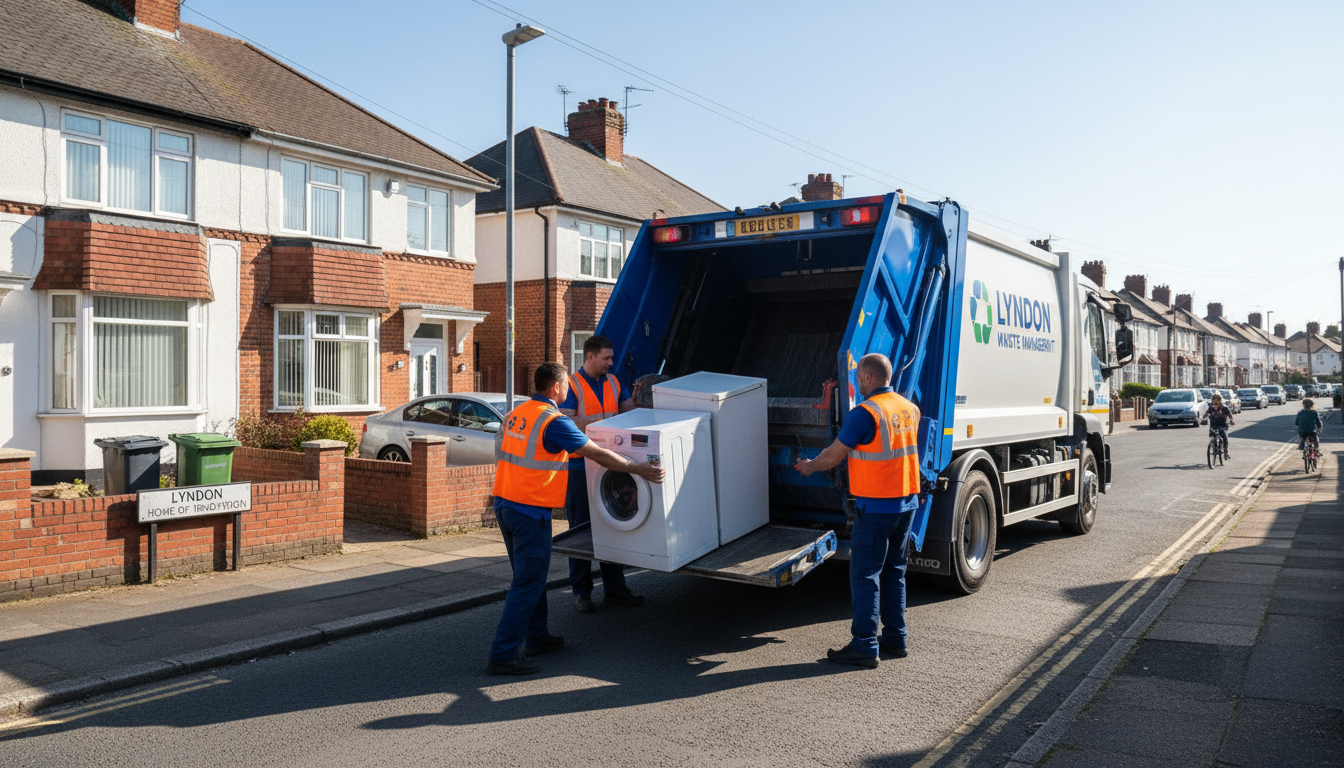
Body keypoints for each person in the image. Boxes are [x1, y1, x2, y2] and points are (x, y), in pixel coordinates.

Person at [487, 361, 664, 676]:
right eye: (565, 384)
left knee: (531, 578)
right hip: (530, 510)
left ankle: (537, 637)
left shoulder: (518, 414)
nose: (569, 388)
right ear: (555, 388)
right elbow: (595, 453)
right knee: (527, 582)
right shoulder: (553, 421)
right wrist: (639, 469)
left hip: (505, 504)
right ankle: (503, 653)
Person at [794, 353, 921, 668]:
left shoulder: (865, 414)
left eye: (857, 378)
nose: (855, 384)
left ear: (868, 378)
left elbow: (834, 455)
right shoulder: (909, 408)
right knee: (894, 572)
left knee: (865, 574)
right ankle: (895, 638)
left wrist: (809, 466)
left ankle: (864, 646)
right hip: (906, 504)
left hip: (877, 507)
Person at [558, 335, 643, 613]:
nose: (611, 362)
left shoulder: (615, 382)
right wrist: (608, 422)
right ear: (590, 356)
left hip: (611, 464)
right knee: (580, 528)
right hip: (580, 466)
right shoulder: (571, 385)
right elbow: (567, 421)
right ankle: (582, 592)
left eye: (611, 357)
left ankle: (615, 589)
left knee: (614, 524)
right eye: (606, 358)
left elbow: (630, 414)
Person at [1200, 393, 1235, 459]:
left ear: (1220, 400)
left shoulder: (1224, 408)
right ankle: (1214, 446)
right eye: (1214, 400)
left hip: (1223, 425)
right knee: (1212, 434)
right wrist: (1204, 419)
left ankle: (1226, 451)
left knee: (1224, 435)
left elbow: (1230, 415)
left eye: (1217, 400)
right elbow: (1206, 414)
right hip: (1213, 425)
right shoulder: (1211, 408)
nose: (1215, 402)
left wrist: (1231, 420)